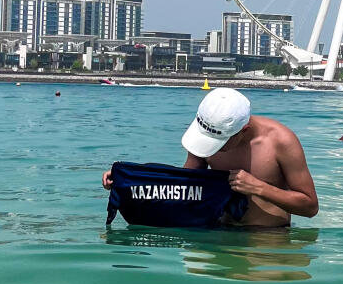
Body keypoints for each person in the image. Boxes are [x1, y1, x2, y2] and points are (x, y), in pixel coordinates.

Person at [102, 87, 318, 227]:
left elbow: (310, 207)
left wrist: (259, 187)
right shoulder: (208, 127)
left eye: (221, 142)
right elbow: (184, 185)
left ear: (243, 130)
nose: (214, 149)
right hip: (216, 233)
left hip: (267, 241)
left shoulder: (281, 141)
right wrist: (129, 180)